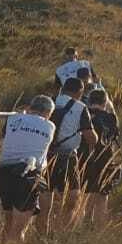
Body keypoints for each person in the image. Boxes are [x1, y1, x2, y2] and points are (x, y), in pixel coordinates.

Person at [0, 95, 58, 243]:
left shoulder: (12, 119)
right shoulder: (50, 126)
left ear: (30, 107)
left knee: (9, 222)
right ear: (48, 113)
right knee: (19, 228)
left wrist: (20, 116)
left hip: (4, 171)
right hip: (28, 173)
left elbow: (4, 138)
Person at [45, 77, 98, 234]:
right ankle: (63, 232)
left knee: (46, 195)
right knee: (72, 197)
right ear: (80, 92)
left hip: (45, 157)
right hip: (68, 158)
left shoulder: (48, 102)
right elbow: (91, 137)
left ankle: (44, 232)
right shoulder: (80, 107)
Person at [81, 89, 121, 227]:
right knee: (103, 195)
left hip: (85, 158)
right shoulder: (111, 118)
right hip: (106, 159)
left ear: (89, 101)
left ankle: (82, 224)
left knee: (84, 193)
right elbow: (115, 135)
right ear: (105, 102)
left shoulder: (84, 114)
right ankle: (99, 227)